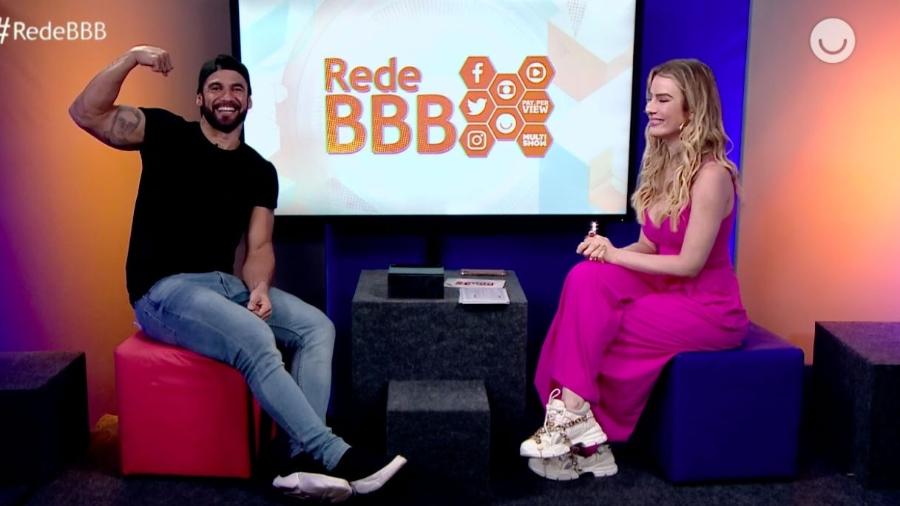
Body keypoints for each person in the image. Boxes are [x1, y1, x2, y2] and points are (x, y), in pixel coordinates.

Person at [69, 46, 405, 502]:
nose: (226, 96)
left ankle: (296, 462)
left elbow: (259, 247)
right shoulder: (166, 132)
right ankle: (330, 454)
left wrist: (260, 286)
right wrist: (131, 59)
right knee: (255, 336)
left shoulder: (259, 170)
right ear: (199, 99)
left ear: (248, 101)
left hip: (225, 286)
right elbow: (86, 112)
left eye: (236, 89)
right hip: (163, 290)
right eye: (215, 88)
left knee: (316, 327)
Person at [520, 59, 749, 480]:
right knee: (585, 278)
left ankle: (586, 436)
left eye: (663, 100)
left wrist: (614, 254)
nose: (649, 108)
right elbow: (649, 246)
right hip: (665, 289)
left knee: (606, 324)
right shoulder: (661, 166)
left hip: (708, 308)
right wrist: (604, 255)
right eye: (650, 99)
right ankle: (579, 426)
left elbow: (689, 264)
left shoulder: (713, 176)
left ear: (692, 109)